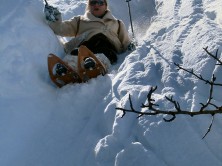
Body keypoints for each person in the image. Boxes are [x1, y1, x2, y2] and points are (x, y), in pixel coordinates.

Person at [44, 0, 135, 71]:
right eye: (93, 2)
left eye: (100, 2)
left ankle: (96, 64)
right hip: (85, 46)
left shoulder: (117, 24)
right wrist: (54, 19)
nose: (96, 5)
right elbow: (60, 29)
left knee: (103, 48)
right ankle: (67, 68)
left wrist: (131, 46)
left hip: (107, 49)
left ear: (106, 5)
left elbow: (125, 43)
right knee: (77, 52)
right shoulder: (80, 21)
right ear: (89, 5)